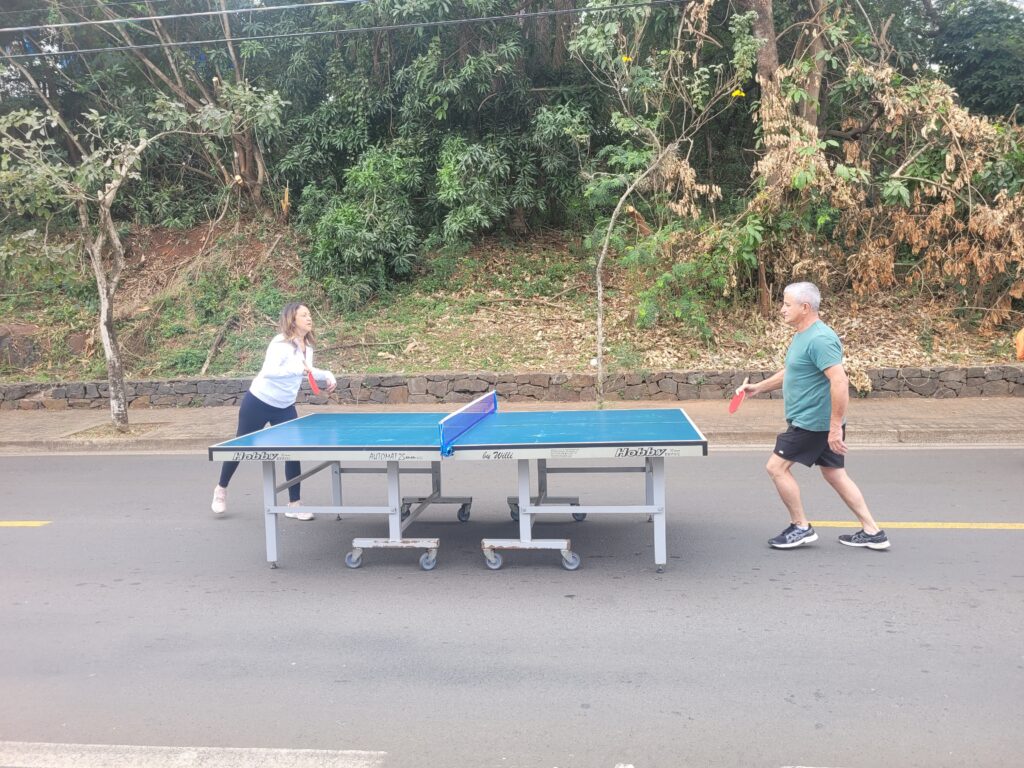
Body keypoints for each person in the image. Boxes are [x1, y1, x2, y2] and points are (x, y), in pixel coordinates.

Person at [736, 282, 890, 551]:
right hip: (816, 422)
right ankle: (873, 531)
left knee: (776, 467)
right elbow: (795, 371)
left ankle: (801, 527)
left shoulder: (820, 339)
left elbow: (840, 382)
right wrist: (758, 388)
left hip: (813, 423)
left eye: (787, 304)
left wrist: (833, 428)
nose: (782, 309)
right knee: (835, 473)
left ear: (804, 308)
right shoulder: (803, 335)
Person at [211, 302, 337, 519]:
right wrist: (297, 368)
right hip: (259, 401)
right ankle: (221, 489)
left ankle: (294, 504)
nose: (309, 318)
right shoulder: (279, 343)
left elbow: (306, 371)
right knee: (241, 446)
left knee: (293, 451)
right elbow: (269, 371)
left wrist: (326, 374)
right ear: (292, 320)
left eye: (309, 314)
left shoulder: (308, 347)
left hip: (284, 406)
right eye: (304, 315)